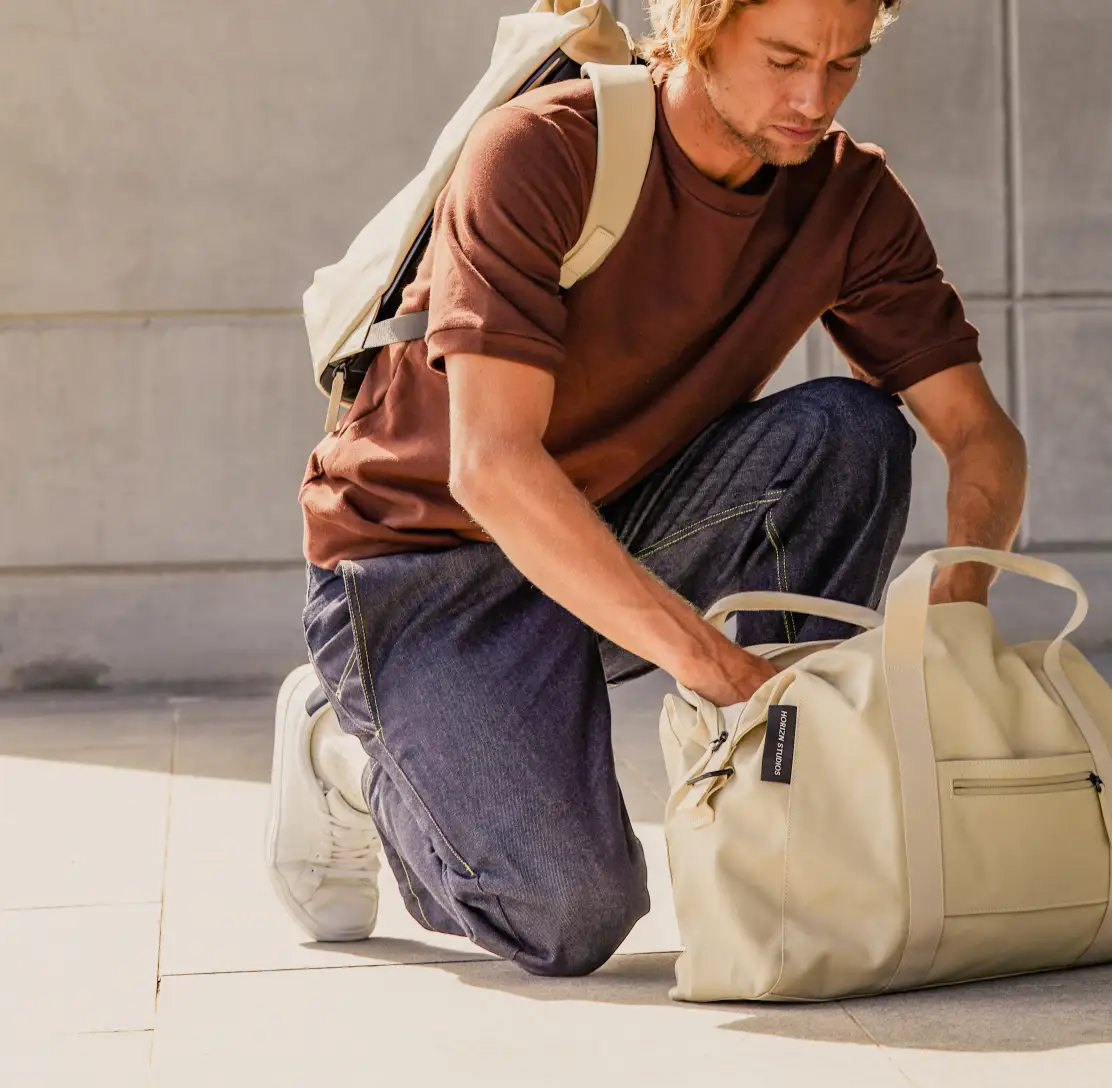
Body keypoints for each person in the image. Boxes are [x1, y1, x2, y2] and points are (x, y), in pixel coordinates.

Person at [266, 0, 1028, 978]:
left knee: (849, 430)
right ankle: (343, 751)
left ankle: (779, 807)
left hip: (615, 525)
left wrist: (959, 620)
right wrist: (711, 662)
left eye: (845, 65)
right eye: (785, 58)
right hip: (417, 565)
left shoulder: (847, 196)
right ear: (697, 29)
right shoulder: (539, 153)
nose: (813, 99)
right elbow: (491, 467)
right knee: (566, 915)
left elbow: (981, 434)